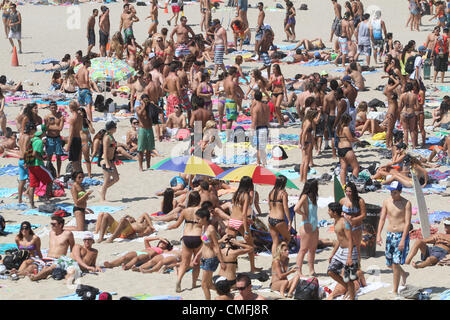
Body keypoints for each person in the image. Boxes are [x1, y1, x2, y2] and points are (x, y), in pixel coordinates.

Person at [376, 181, 411, 296]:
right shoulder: (386, 202)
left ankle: (395, 290)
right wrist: (378, 234)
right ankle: (404, 274)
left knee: (395, 264)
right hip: (390, 235)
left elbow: (407, 223)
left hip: (401, 235)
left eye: (395, 192)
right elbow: (382, 219)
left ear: (400, 192)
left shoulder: (406, 203)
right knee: (389, 264)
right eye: (391, 192)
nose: (392, 194)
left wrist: (403, 240)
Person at [167, 191, 202, 293]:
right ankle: (194, 283)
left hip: (186, 237)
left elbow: (177, 225)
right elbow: (206, 225)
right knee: (196, 263)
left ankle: (178, 280)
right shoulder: (201, 211)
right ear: (199, 199)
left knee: (184, 263)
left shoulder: (185, 211)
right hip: (198, 237)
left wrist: (168, 227)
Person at [226, 176, 261, 273]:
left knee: (229, 245)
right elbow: (244, 213)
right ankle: (253, 268)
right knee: (250, 246)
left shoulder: (236, 194)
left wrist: (247, 219)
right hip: (240, 222)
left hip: (232, 220)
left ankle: (230, 269)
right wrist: (246, 230)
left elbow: (236, 209)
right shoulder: (246, 195)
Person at [327, 202, 359, 300]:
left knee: (349, 278)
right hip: (340, 251)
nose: (328, 212)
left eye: (329, 211)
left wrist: (349, 257)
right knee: (331, 271)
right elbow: (339, 239)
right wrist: (332, 253)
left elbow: (350, 240)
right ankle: (346, 287)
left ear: (335, 212)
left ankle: (352, 297)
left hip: (349, 251)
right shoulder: (335, 221)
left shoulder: (345, 223)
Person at [28, 215, 75, 281]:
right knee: (31, 267)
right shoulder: (51, 233)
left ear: (60, 225)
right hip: (46, 257)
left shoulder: (68, 234)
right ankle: (16, 273)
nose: (52, 226)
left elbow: (73, 248)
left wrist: (71, 260)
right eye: (51, 224)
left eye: (53, 224)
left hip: (57, 259)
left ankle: (36, 277)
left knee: (47, 268)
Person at [192, 208, 225, 300]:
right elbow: (204, 245)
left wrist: (221, 261)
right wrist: (197, 256)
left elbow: (216, 246)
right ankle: (226, 293)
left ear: (205, 218)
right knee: (209, 284)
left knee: (204, 284)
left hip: (211, 259)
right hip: (205, 258)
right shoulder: (203, 227)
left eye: (198, 219)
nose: (196, 221)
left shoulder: (211, 229)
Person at [294, 178, 319, 277]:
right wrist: (303, 214)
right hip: (306, 225)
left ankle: (311, 270)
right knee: (303, 249)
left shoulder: (314, 197)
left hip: (314, 224)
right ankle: (298, 271)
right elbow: (296, 208)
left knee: (312, 249)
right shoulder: (305, 196)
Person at [104, 237, 172, 270]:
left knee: (136, 258)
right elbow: (146, 239)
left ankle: (127, 267)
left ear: (167, 245)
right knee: (124, 257)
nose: (162, 243)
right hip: (139, 252)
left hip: (147, 256)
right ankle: (111, 264)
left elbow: (169, 254)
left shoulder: (163, 250)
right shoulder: (150, 247)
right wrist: (158, 238)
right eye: (161, 242)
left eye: (164, 243)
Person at [27, 124, 53, 206]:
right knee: (50, 180)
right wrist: (41, 158)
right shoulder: (39, 141)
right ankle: (46, 198)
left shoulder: (32, 140)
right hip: (38, 164)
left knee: (32, 185)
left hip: (31, 165)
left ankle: (32, 204)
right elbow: (35, 153)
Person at [267, 175, 292, 257]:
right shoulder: (283, 193)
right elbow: (285, 208)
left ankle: (275, 260)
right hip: (279, 220)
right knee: (287, 238)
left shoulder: (271, 192)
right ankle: (282, 254)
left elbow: (270, 206)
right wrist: (289, 220)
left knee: (275, 241)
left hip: (270, 219)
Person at [336, 113, 360, 185]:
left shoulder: (338, 128)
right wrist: (358, 140)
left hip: (340, 149)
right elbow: (350, 139)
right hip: (347, 148)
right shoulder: (346, 128)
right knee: (356, 167)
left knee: (343, 168)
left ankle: (343, 185)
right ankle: (352, 185)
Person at [100, 121, 120, 201]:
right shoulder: (107, 138)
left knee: (116, 178)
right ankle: (102, 198)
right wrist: (107, 164)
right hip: (105, 160)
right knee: (107, 179)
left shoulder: (111, 136)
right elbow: (104, 152)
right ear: (111, 129)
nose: (116, 128)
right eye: (115, 127)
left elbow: (113, 148)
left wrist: (116, 158)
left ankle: (102, 190)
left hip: (111, 160)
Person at [136, 93, 155, 172]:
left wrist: (153, 105)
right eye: (145, 100)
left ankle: (148, 165)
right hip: (142, 129)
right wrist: (143, 105)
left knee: (149, 149)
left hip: (150, 129)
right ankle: (140, 166)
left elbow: (159, 111)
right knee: (141, 150)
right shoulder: (138, 108)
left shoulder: (150, 108)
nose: (146, 102)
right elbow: (139, 114)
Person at [251, 91, 270, 166]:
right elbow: (268, 118)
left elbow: (254, 121)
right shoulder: (266, 106)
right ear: (261, 97)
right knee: (262, 147)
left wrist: (252, 130)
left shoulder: (256, 108)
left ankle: (259, 162)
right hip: (266, 127)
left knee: (259, 147)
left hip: (259, 128)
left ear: (254, 98)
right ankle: (262, 161)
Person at [17, 122, 33, 205]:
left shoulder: (21, 136)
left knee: (22, 181)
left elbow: (20, 147)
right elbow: (25, 150)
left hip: (20, 159)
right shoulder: (27, 138)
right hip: (25, 160)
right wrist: (27, 161)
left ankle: (19, 200)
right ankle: (31, 201)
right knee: (32, 181)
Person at [65, 101, 83, 173]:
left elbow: (71, 134)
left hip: (74, 139)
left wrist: (67, 146)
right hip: (79, 138)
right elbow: (80, 128)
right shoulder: (80, 116)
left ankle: (77, 175)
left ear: (70, 108)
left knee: (74, 161)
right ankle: (80, 174)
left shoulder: (72, 119)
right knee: (78, 159)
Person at [75, 57, 94, 122]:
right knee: (88, 105)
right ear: (86, 63)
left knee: (79, 105)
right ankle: (91, 120)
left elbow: (75, 77)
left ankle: (76, 117)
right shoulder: (86, 71)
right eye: (89, 62)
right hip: (85, 89)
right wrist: (90, 88)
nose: (90, 63)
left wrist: (78, 83)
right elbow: (86, 80)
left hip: (80, 89)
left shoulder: (80, 69)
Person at [79, 108, 95, 178]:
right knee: (78, 159)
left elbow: (92, 131)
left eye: (81, 113)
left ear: (84, 113)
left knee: (87, 159)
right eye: (78, 113)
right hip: (78, 142)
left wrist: (89, 124)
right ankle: (80, 173)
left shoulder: (87, 122)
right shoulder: (76, 121)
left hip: (85, 142)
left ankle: (89, 173)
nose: (80, 114)